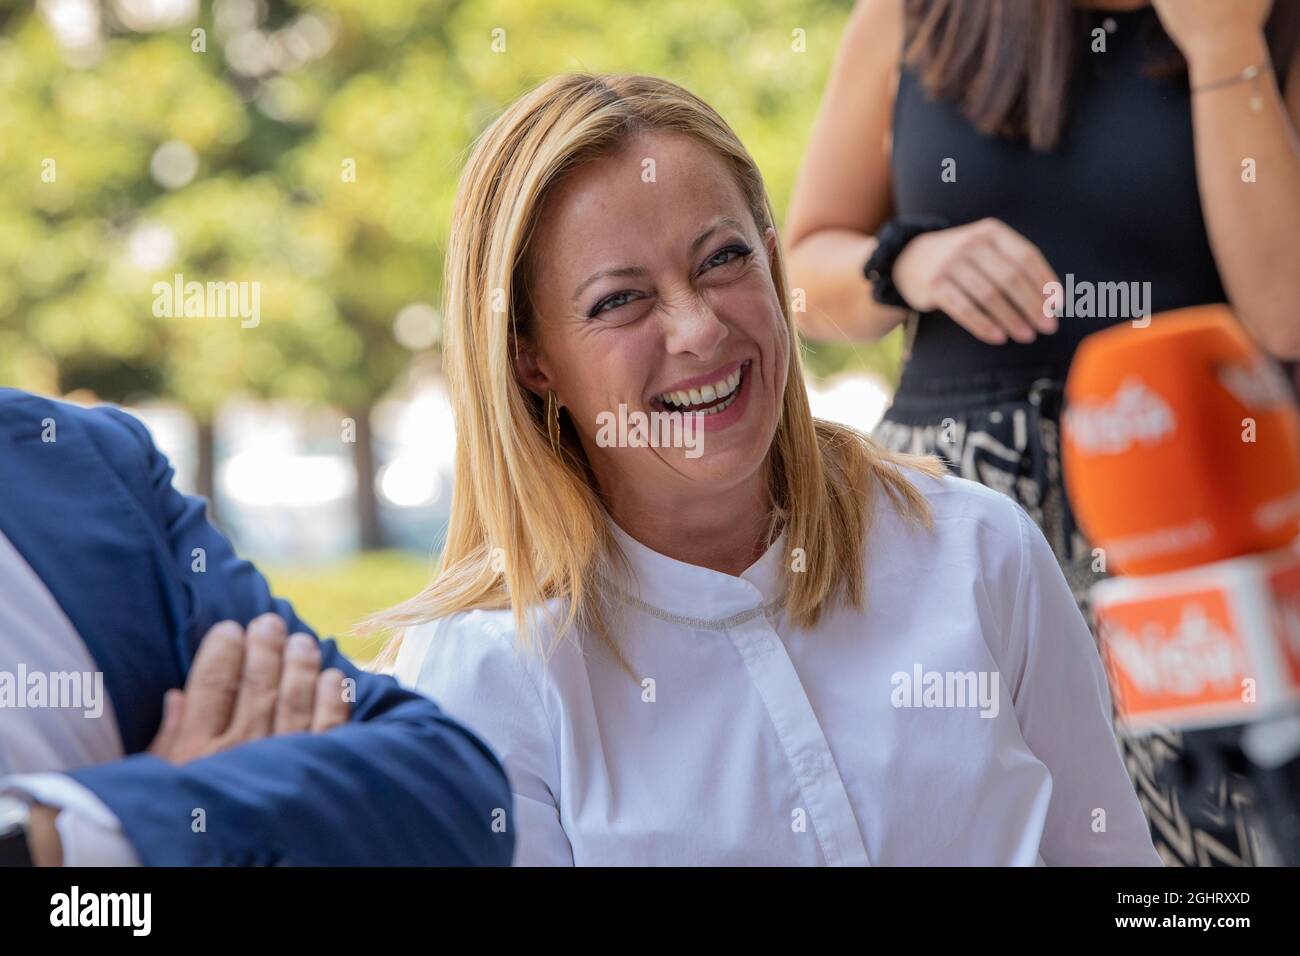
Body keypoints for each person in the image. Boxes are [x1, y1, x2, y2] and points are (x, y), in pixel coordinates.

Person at [379, 72, 1161, 866]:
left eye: (723, 258)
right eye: (621, 300)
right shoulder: (487, 675)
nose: (698, 329)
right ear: (531, 360)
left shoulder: (982, 553)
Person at [783, 0, 1300, 866]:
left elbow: (1284, 311)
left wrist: (1223, 43)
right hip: (950, 508)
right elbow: (801, 272)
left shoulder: (1266, 20)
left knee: (1221, 851)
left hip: (1185, 522)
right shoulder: (916, 16)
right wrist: (906, 261)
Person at [0, 387, 514, 866]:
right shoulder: (488, 647)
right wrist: (106, 831)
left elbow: (444, 787)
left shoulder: (82, 461)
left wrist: (141, 814)